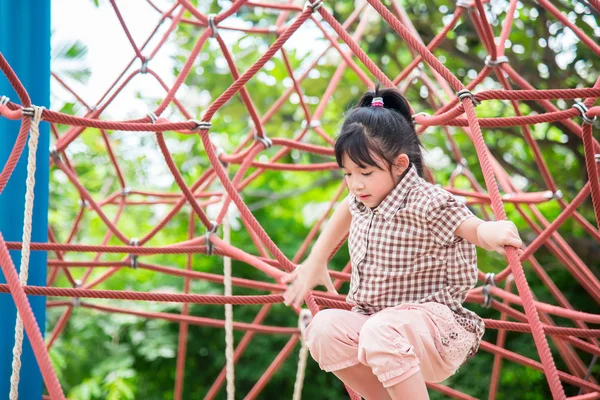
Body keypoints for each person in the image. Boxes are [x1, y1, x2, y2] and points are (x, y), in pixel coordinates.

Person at [281, 85, 523, 400]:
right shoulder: (365, 197)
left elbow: (471, 227)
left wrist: (491, 233)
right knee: (323, 329)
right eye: (347, 174)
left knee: (380, 330)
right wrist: (316, 260)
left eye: (364, 172)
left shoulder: (424, 198)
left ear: (399, 164)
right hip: (379, 331)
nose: (355, 184)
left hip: (435, 330)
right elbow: (345, 209)